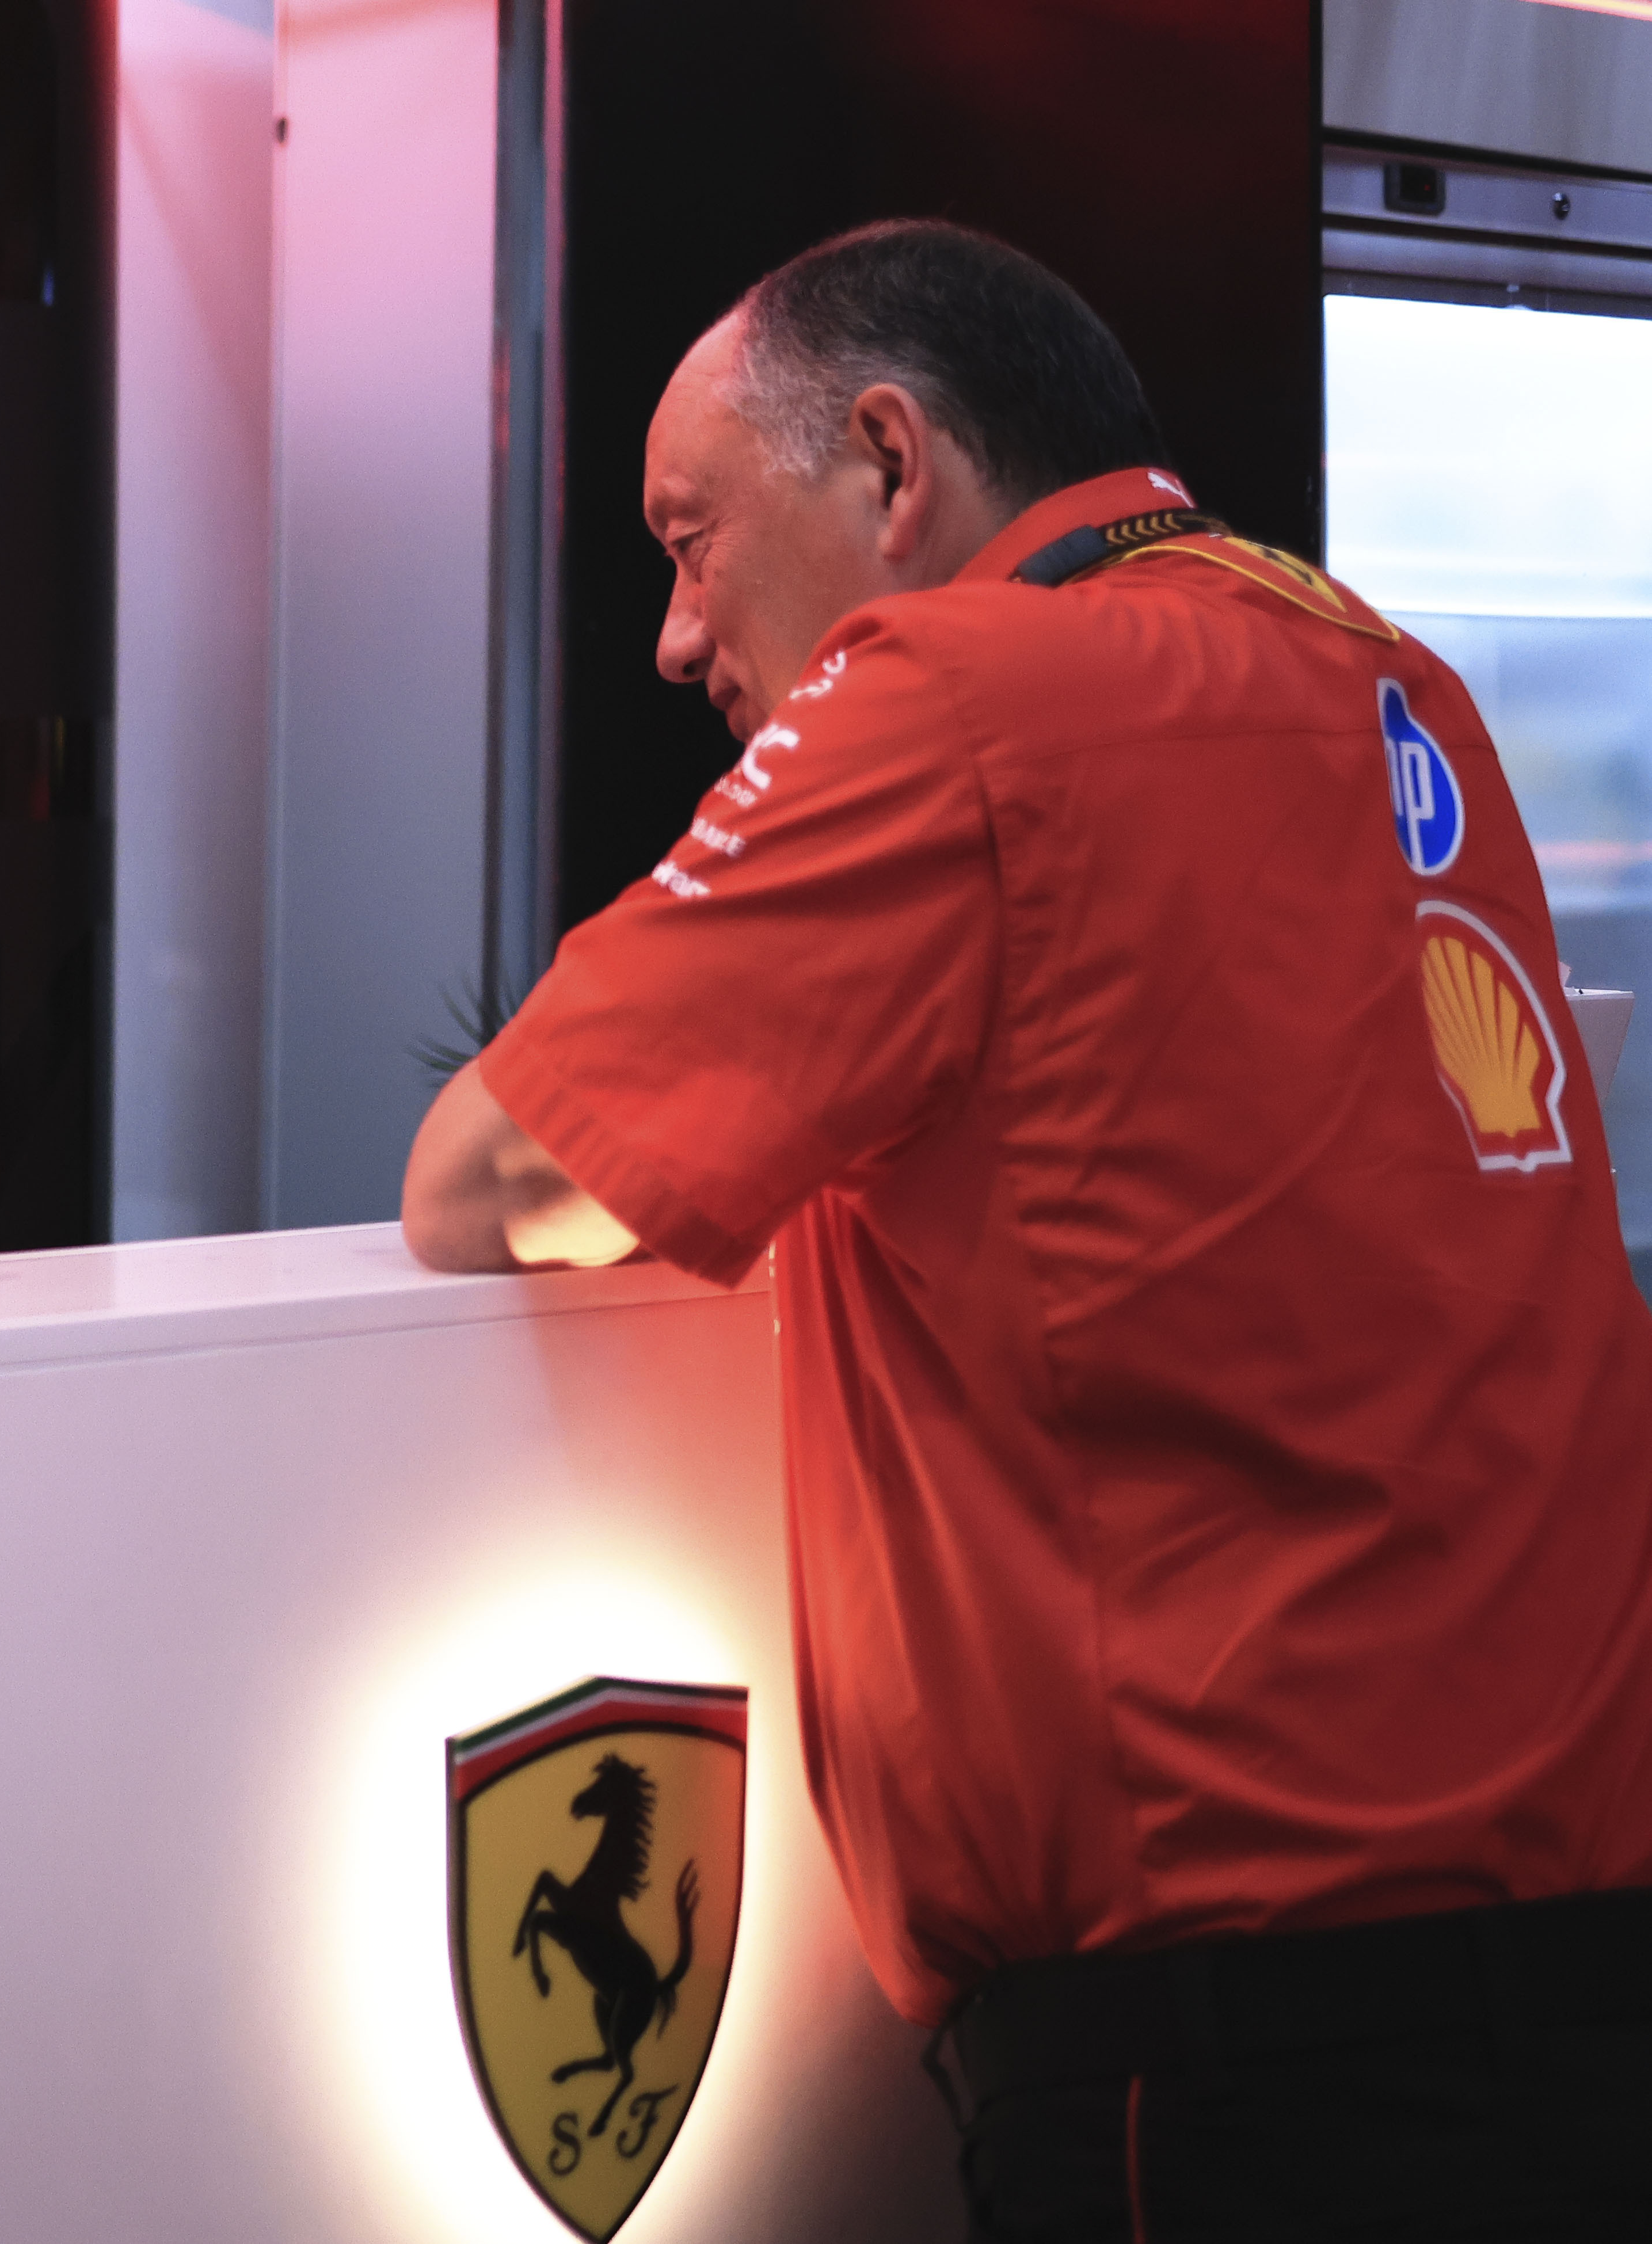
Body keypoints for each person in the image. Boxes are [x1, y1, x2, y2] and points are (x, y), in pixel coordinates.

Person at [404, 220, 1652, 2238]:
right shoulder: (1376, 668)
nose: (667, 634)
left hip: (1237, 2039)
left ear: (888, 469)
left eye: (689, 537)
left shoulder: (964, 692)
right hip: (1571, 1977)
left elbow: (494, 1177)